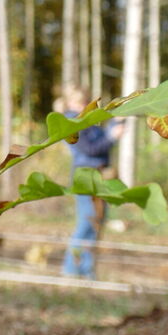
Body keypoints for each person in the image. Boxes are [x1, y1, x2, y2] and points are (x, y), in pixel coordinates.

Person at [61, 86, 125, 279]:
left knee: (97, 221)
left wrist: (117, 123)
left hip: (100, 176)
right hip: (85, 176)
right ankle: (71, 269)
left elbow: (102, 141)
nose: (82, 106)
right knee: (87, 221)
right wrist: (112, 137)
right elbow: (90, 149)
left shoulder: (88, 122)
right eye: (78, 102)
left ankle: (87, 270)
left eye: (84, 101)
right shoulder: (71, 123)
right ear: (70, 103)